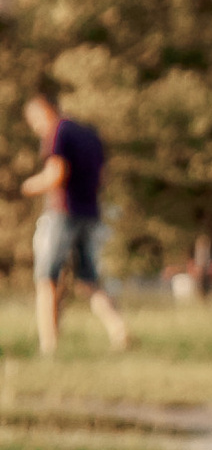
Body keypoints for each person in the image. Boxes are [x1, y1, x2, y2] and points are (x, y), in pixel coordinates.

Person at [20, 88, 130, 357]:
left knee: (47, 279)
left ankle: (49, 346)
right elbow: (102, 177)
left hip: (62, 212)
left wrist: (27, 186)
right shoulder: (90, 134)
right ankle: (119, 329)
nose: (34, 126)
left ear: (45, 110)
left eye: (34, 119)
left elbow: (56, 174)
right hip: (90, 213)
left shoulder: (58, 131)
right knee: (88, 279)